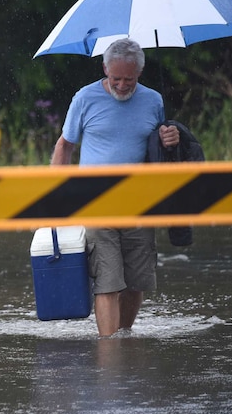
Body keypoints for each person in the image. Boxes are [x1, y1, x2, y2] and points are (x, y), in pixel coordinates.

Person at [50, 38, 180, 337]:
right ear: (104, 69)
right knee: (108, 281)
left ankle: (124, 338)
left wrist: (171, 138)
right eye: (116, 78)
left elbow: (160, 151)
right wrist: (54, 196)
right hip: (96, 204)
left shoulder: (154, 100)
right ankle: (109, 351)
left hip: (139, 204)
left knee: (136, 283)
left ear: (140, 73)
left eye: (130, 79)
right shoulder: (84, 98)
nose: (122, 85)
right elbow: (65, 146)